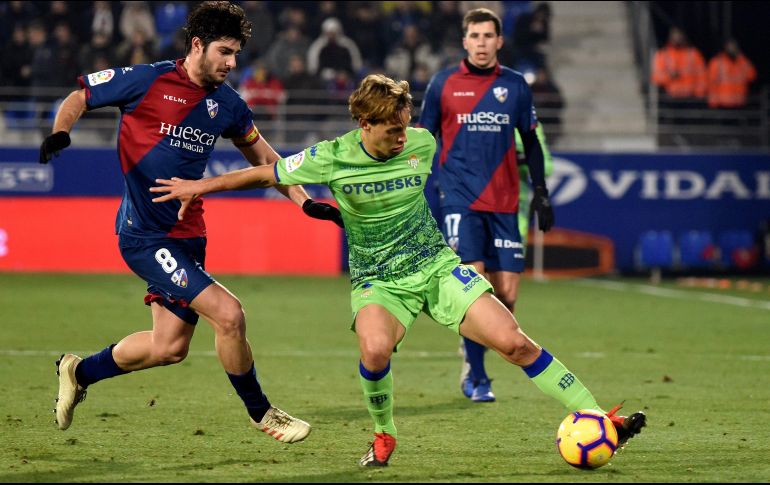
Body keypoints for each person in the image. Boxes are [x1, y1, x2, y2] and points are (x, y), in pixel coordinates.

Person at [149, 73, 646, 467]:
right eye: (392, 131)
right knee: (374, 348)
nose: (401, 138)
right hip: (378, 280)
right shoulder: (331, 157)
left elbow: (468, 155)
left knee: (515, 342)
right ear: (364, 123)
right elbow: (263, 172)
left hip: (434, 266)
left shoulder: (421, 144)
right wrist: (199, 188)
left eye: (404, 127)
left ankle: (602, 419)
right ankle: (384, 434)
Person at [40, 1, 344, 443]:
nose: (232, 62)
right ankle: (263, 414)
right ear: (197, 45)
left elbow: (265, 159)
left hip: (189, 234)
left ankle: (78, 371)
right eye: (224, 51)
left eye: (236, 53)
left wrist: (302, 200)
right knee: (230, 314)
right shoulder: (147, 79)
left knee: (169, 347)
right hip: (145, 236)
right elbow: (80, 96)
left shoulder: (229, 105)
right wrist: (62, 131)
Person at [418, 8, 554, 402]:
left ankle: (472, 352)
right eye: (474, 36)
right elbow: (424, 141)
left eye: (487, 36)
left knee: (506, 295)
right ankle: (476, 377)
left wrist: (541, 191)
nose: (481, 43)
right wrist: (420, 193)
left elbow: (530, 140)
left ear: (499, 41)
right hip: (459, 200)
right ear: (465, 41)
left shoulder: (515, 86)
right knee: (474, 290)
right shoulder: (443, 84)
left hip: (505, 203)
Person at [706, 38, 757, 109]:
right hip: (722, 103)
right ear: (725, 48)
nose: (732, 49)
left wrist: (741, 58)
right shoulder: (717, 62)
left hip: (739, 103)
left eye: (734, 47)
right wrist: (713, 102)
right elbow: (711, 83)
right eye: (730, 46)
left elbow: (752, 76)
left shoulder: (742, 62)